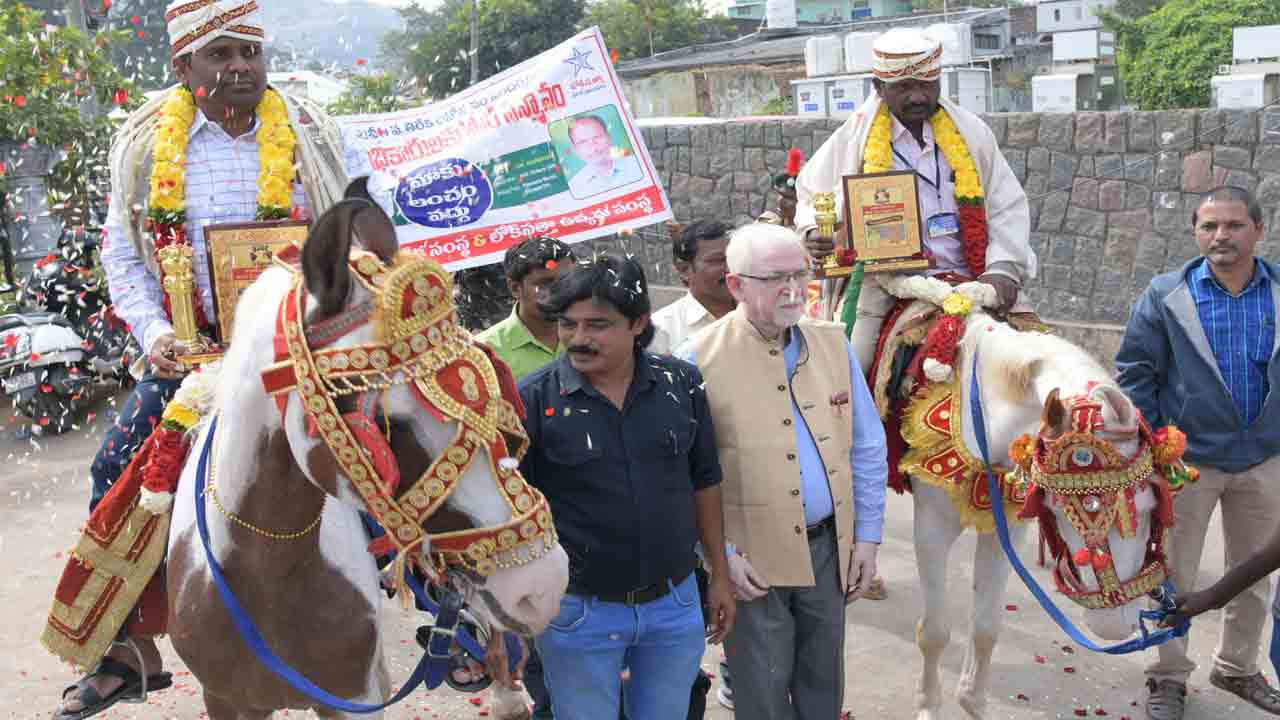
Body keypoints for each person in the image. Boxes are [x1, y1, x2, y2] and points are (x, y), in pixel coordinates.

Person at [51, 2, 347, 716]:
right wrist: (155, 334)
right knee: (116, 464)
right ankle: (126, 650)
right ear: (184, 68)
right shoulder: (148, 145)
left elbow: (361, 213)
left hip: (307, 347)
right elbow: (123, 254)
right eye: (220, 54)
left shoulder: (313, 135)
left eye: (250, 50)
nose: (241, 65)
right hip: (197, 360)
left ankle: (456, 617)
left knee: (408, 437)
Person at [679, 223, 888, 720]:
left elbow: (866, 447)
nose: (794, 289)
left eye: (801, 274)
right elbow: (679, 474)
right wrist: (719, 557)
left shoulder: (833, 345)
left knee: (823, 686)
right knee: (762, 694)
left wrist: (868, 538)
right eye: (776, 278)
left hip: (829, 550)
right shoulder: (696, 361)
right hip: (750, 561)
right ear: (736, 285)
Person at [517, 253, 735, 720]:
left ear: (638, 323)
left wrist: (719, 572)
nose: (578, 338)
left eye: (597, 325)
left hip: (674, 605)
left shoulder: (682, 383)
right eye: (568, 324)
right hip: (575, 611)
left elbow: (705, 481)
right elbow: (517, 512)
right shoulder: (533, 399)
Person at [1116, 186, 1280, 720]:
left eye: (1233, 225)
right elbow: (1136, 373)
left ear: (1258, 228)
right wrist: (1157, 445)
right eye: (1209, 227)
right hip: (1187, 465)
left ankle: (1236, 667)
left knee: (1253, 572)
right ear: (1195, 232)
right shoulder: (1167, 296)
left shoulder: (1278, 293)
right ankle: (1166, 676)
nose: (1220, 236)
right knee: (1171, 574)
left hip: (1264, 458)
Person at [793, 27, 1037, 371]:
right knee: (850, 370)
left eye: (926, 85)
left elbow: (1007, 204)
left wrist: (1003, 270)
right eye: (904, 87)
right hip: (888, 280)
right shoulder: (854, 139)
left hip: (973, 275)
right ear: (879, 88)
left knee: (1040, 353)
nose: (918, 97)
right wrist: (811, 232)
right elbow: (811, 193)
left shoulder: (971, 133)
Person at [477, 237, 577, 381]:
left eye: (567, 281)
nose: (559, 291)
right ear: (515, 288)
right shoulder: (485, 353)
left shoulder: (595, 334)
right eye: (545, 283)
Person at [648, 219, 736, 355]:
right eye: (717, 260)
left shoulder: (764, 315)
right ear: (684, 270)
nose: (730, 268)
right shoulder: (661, 330)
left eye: (735, 258)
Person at [564, 114, 644, 199]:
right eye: (582, 142)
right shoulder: (574, 187)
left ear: (609, 138)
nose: (593, 146)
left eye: (597, 137)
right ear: (575, 149)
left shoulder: (638, 164)